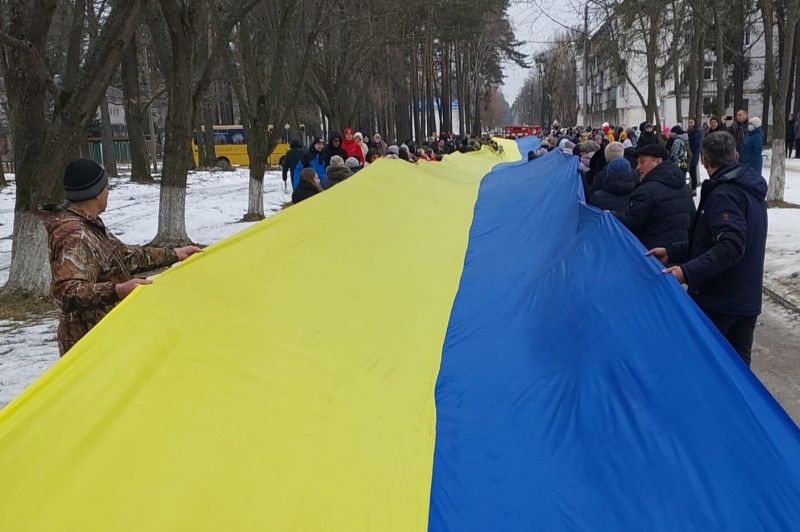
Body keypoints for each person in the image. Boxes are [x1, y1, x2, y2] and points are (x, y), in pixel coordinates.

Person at [40, 159, 202, 355]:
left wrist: (174, 254)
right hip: (87, 345)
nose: (108, 192)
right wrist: (117, 290)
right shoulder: (74, 236)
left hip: (105, 335)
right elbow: (66, 292)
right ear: (96, 193)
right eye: (106, 187)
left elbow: (125, 257)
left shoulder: (90, 226)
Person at [649, 131, 768, 365]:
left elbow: (730, 246)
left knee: (704, 370)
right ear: (735, 155)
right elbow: (709, 241)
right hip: (744, 300)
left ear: (704, 159)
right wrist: (672, 252)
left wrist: (686, 272)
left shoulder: (726, 193)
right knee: (737, 378)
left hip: (720, 301)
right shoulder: (748, 188)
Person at [614, 144, 695, 249]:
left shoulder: (645, 191)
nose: (637, 167)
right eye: (637, 162)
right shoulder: (684, 187)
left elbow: (630, 222)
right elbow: (692, 221)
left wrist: (611, 216)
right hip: (679, 254)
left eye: (642, 162)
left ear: (658, 161)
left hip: (652, 254)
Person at [687, 117, 703, 195]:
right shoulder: (688, 131)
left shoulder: (697, 132)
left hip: (694, 154)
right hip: (689, 154)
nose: (690, 124)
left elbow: (696, 144)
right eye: (689, 122)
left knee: (693, 171)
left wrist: (689, 148)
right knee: (690, 171)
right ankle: (692, 186)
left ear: (695, 123)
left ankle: (694, 189)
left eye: (691, 122)